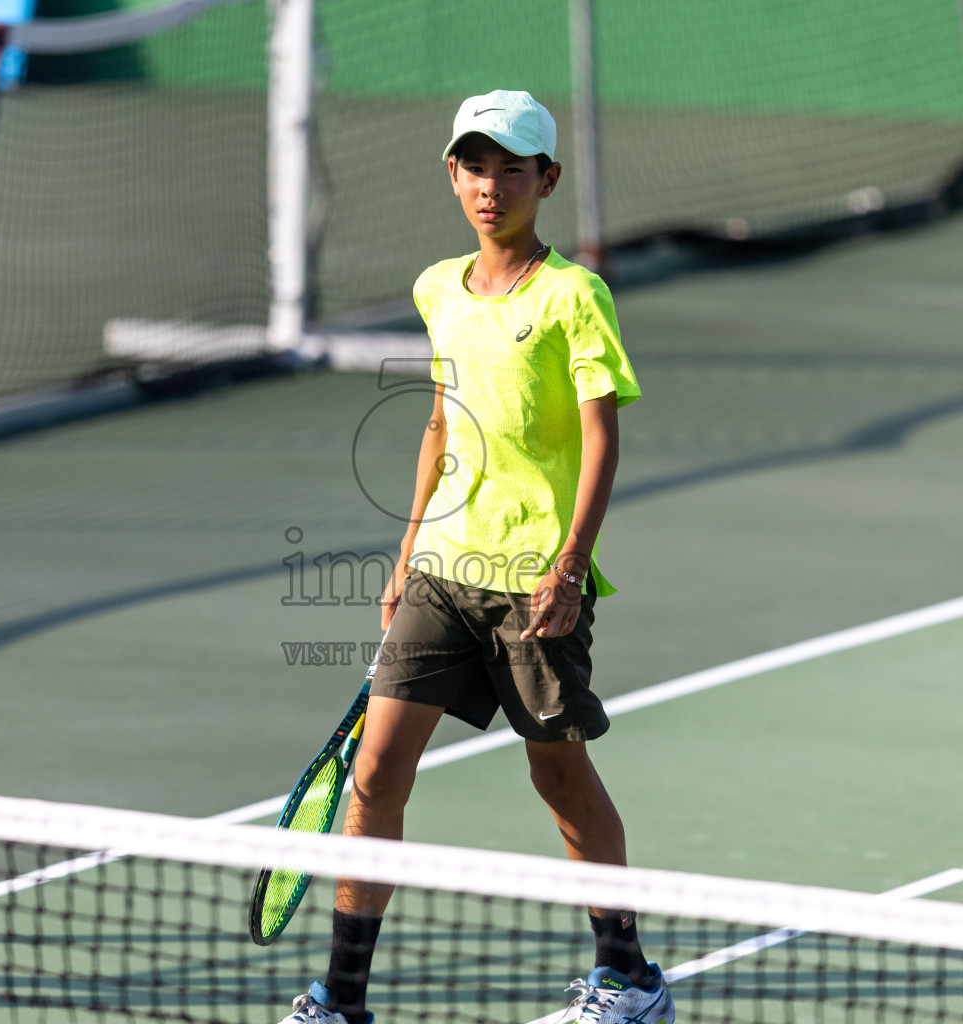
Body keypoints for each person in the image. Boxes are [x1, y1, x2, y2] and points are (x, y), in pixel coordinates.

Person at [279, 90, 671, 1024]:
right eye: (474, 165)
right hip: (440, 574)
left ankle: (629, 976)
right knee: (375, 775)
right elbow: (442, 422)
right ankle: (342, 997)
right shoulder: (437, 288)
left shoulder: (575, 296)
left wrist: (571, 562)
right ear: (452, 174)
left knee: (558, 775)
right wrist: (406, 550)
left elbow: (601, 437)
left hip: (534, 585)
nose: (490, 186)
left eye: (510, 167)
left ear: (547, 180)